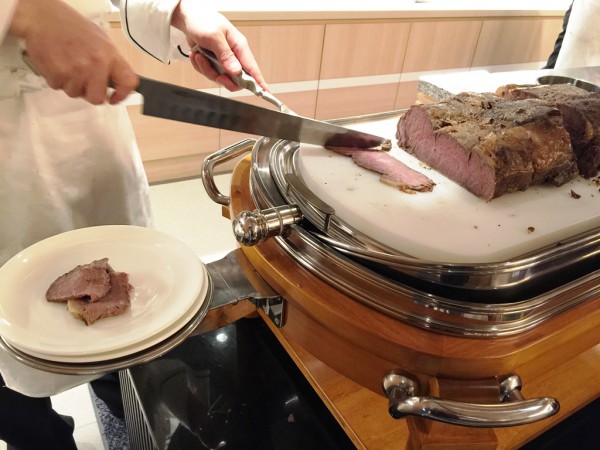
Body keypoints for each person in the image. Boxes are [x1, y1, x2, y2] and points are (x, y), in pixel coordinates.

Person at [0, 0, 266, 448]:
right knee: (10, 354)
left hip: (81, 112)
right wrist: (22, 12)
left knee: (124, 332)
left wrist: (177, 11)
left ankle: (134, 406)